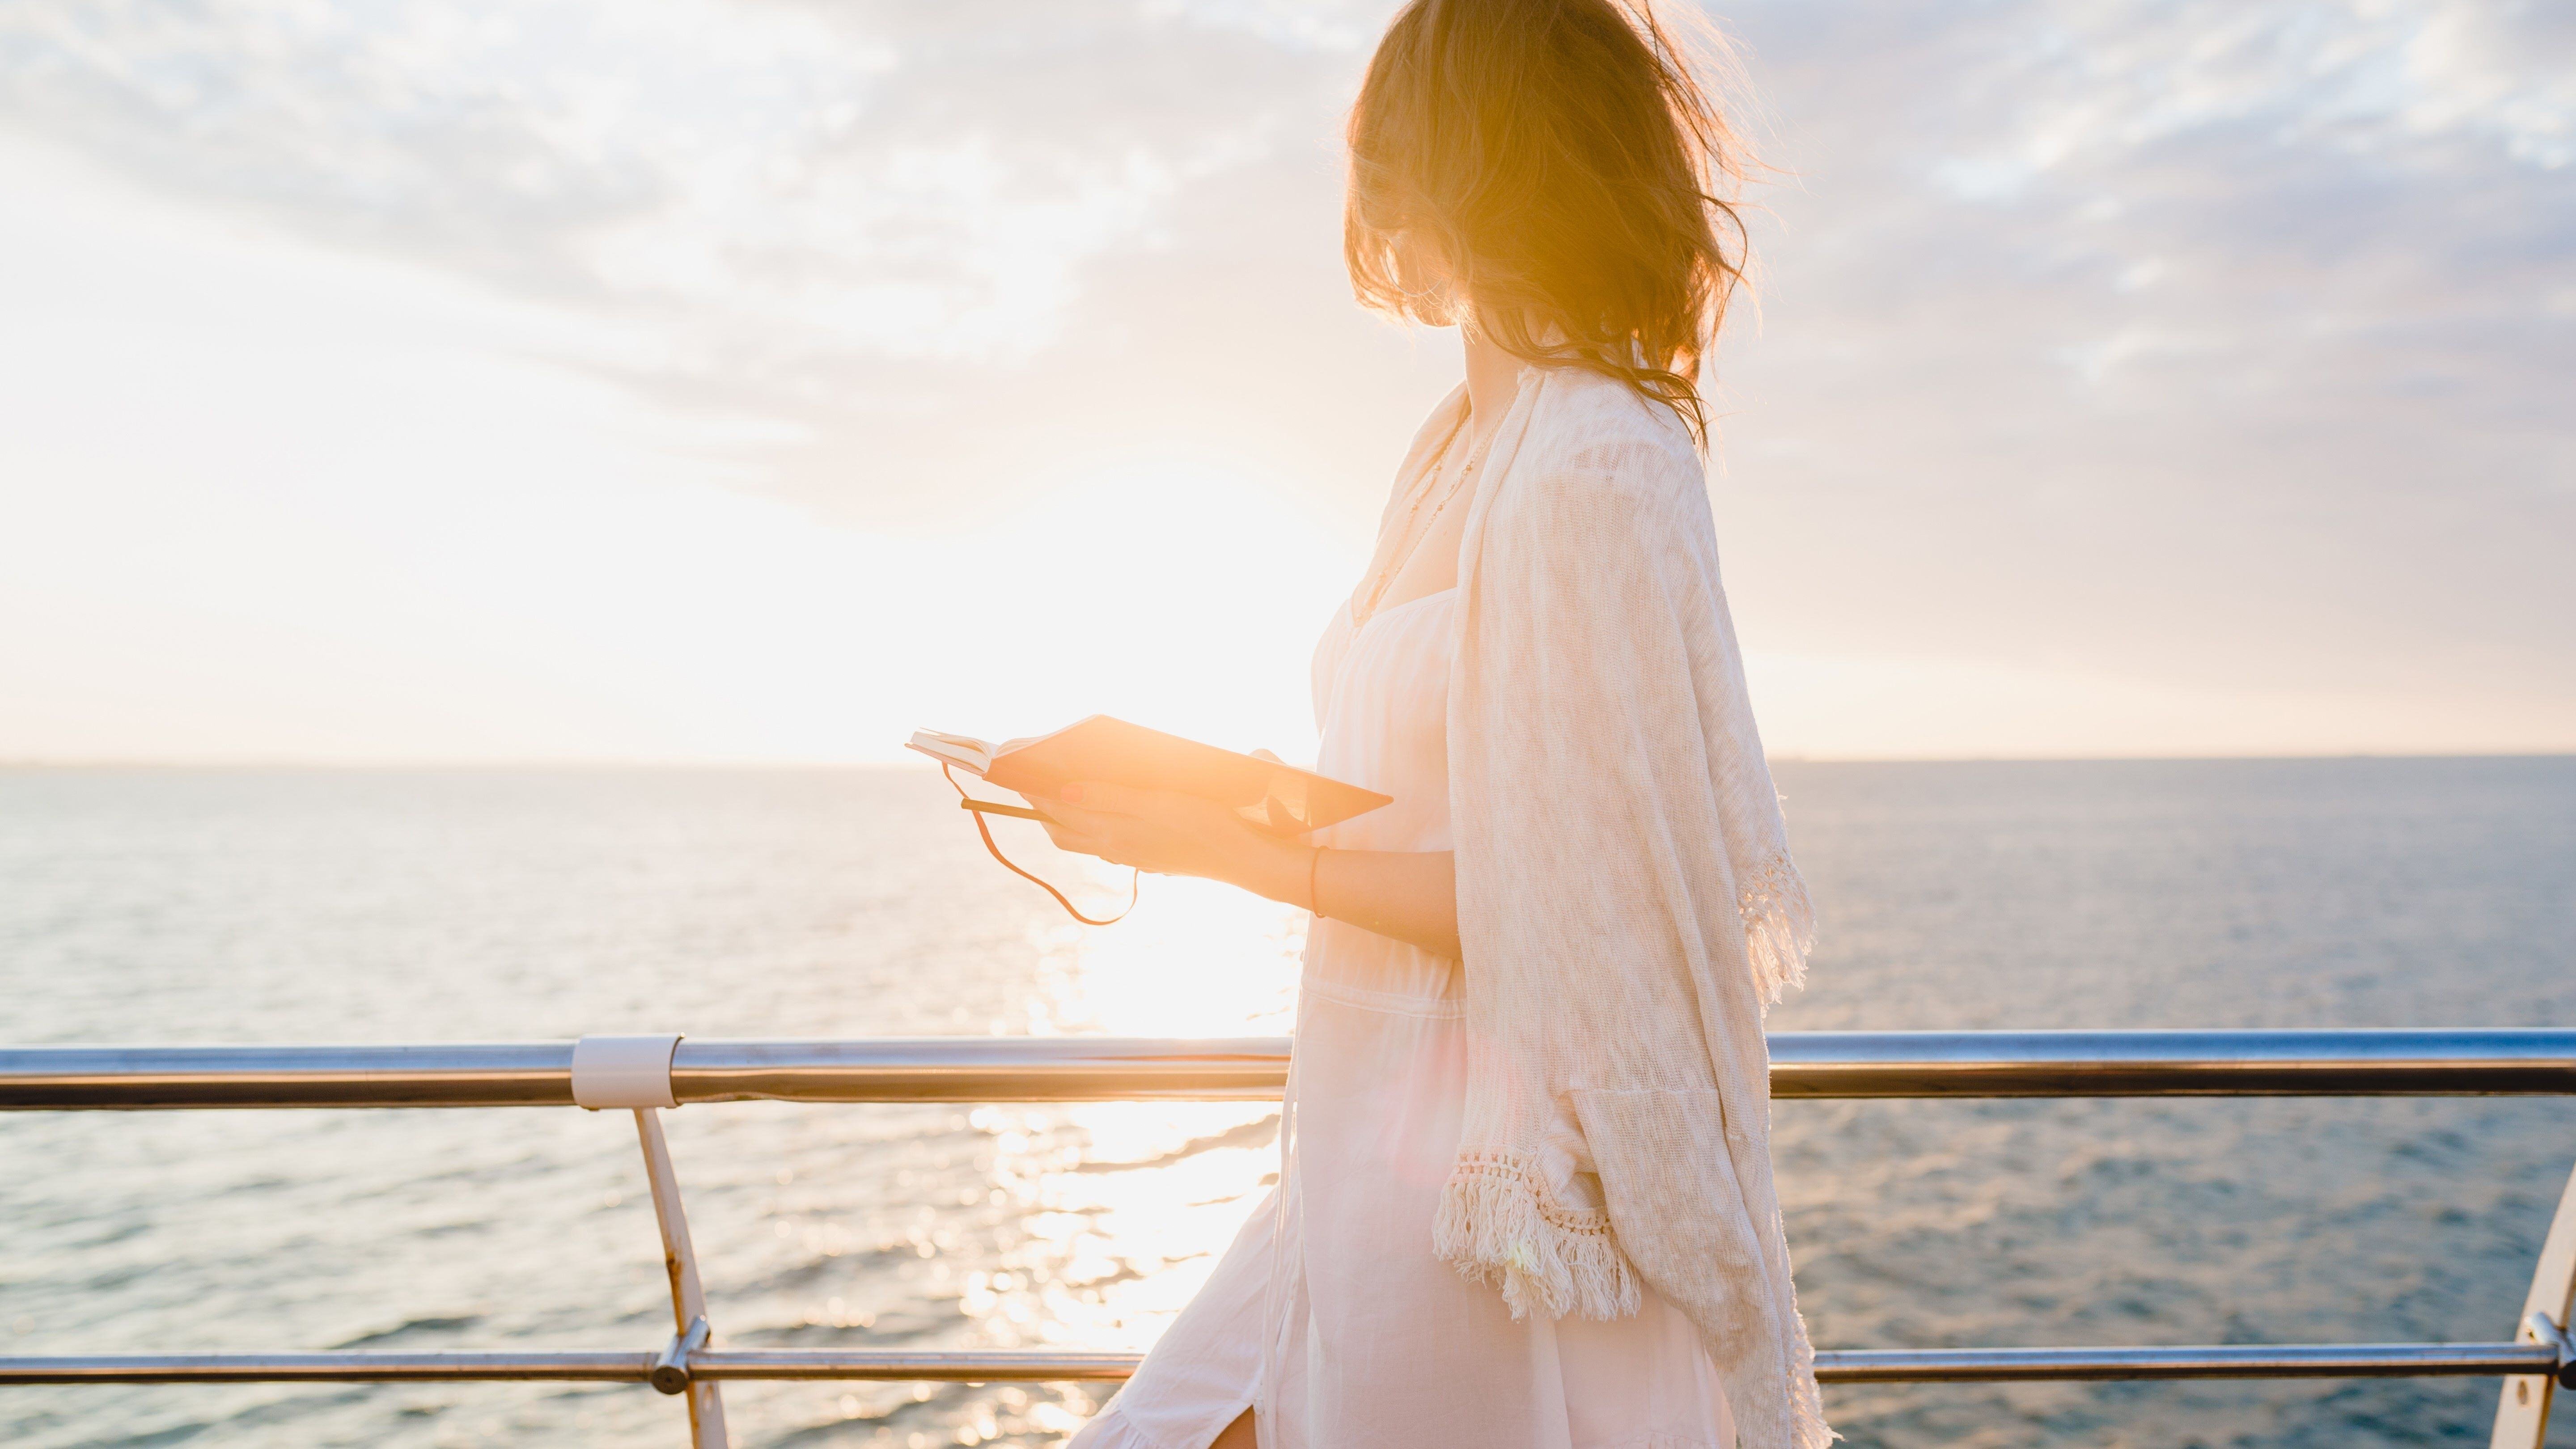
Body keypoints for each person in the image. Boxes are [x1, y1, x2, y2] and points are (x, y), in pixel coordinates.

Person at [1027, 1, 1826, 1444]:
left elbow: (1585, 905)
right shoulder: (1457, 451)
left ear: (1459, 166)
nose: (1368, 188)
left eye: (1385, 144)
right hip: (1361, 1139)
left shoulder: (1596, 460)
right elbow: (1451, 788)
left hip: (1493, 1204)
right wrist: (1202, 785)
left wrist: (1220, 850)